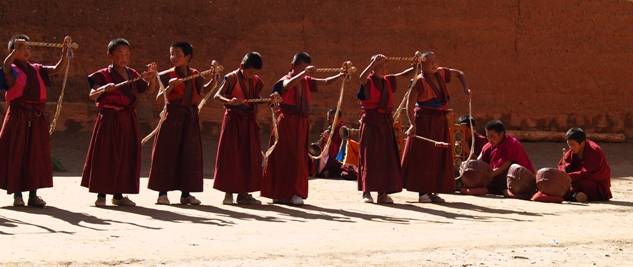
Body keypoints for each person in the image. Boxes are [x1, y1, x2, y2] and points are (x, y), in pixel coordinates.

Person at [81, 38, 158, 207]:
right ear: (110, 55)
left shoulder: (132, 74)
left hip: (128, 119)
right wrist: (103, 89)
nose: (124, 58)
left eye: (127, 54)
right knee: (106, 154)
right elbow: (92, 95)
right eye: (119, 54)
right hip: (110, 117)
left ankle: (119, 194)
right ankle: (101, 195)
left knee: (125, 154)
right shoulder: (102, 75)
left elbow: (148, 90)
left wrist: (152, 78)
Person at [261, 52, 344, 205]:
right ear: (292, 66)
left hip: (301, 123)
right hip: (287, 123)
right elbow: (287, 86)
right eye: (301, 69)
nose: (304, 72)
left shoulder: (306, 81)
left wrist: (340, 75)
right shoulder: (286, 80)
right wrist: (304, 74)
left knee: (298, 159)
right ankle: (279, 192)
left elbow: (325, 81)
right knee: (283, 157)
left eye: (306, 69)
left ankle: (294, 193)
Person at [0, 35, 69, 207]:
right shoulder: (12, 69)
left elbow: (55, 69)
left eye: (28, 48)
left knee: (34, 154)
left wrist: (64, 53)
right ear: (12, 51)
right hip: (18, 116)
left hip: (36, 117)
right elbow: (6, 66)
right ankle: (17, 195)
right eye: (21, 48)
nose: (26, 51)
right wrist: (15, 50)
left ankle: (33, 195)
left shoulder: (36, 69)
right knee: (18, 153)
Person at [148, 41, 214, 205]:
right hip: (172, 118)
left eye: (178, 54)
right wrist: (169, 87)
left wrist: (215, 78)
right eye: (172, 54)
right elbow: (158, 99)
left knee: (189, 154)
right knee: (167, 154)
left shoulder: (195, 74)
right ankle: (162, 194)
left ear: (188, 57)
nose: (174, 57)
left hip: (189, 119)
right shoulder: (166, 75)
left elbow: (204, 90)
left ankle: (186, 194)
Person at [401, 51, 470, 203]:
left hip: (439, 120)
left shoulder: (441, 73)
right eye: (429, 61)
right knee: (424, 155)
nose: (433, 64)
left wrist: (466, 88)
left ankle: (432, 190)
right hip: (424, 120)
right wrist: (412, 124)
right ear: (422, 64)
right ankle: (422, 192)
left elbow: (459, 74)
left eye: (435, 60)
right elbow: (410, 104)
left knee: (438, 154)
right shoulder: (419, 81)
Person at [213, 52, 274, 205]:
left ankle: (243, 193)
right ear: (241, 67)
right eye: (249, 72)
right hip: (233, 121)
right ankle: (228, 194)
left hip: (248, 122)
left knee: (248, 156)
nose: (251, 75)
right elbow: (217, 96)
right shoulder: (231, 78)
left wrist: (268, 100)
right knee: (231, 156)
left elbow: (254, 98)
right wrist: (230, 101)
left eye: (254, 73)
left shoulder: (255, 80)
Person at [356, 54, 415, 204]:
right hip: (371, 123)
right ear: (372, 68)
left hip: (385, 124)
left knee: (385, 157)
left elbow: (402, 75)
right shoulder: (368, 81)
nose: (383, 70)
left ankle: (382, 193)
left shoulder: (387, 81)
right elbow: (361, 78)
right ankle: (366, 192)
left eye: (385, 67)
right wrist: (372, 63)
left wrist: (416, 66)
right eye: (379, 67)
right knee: (370, 156)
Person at [478, 120, 534, 195]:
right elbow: (478, 161)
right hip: (495, 174)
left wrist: (483, 177)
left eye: (492, 136)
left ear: (501, 134)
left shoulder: (511, 144)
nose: (489, 139)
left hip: (519, 179)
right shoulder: (488, 147)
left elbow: (502, 168)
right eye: (487, 136)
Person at [558, 127, 611, 202]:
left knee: (585, 184)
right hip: (576, 180)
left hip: (595, 183)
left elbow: (588, 173)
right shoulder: (572, 151)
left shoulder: (594, 151)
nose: (570, 147)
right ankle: (576, 195)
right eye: (569, 144)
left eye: (573, 144)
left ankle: (571, 195)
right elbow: (564, 165)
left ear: (582, 143)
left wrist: (570, 177)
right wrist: (564, 174)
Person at [314, 108, 357, 180]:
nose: (331, 121)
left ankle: (329, 172)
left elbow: (344, 152)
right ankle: (327, 172)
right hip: (331, 157)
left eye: (333, 118)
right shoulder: (330, 130)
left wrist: (329, 142)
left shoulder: (343, 131)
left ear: (340, 119)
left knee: (337, 163)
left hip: (340, 158)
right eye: (329, 118)